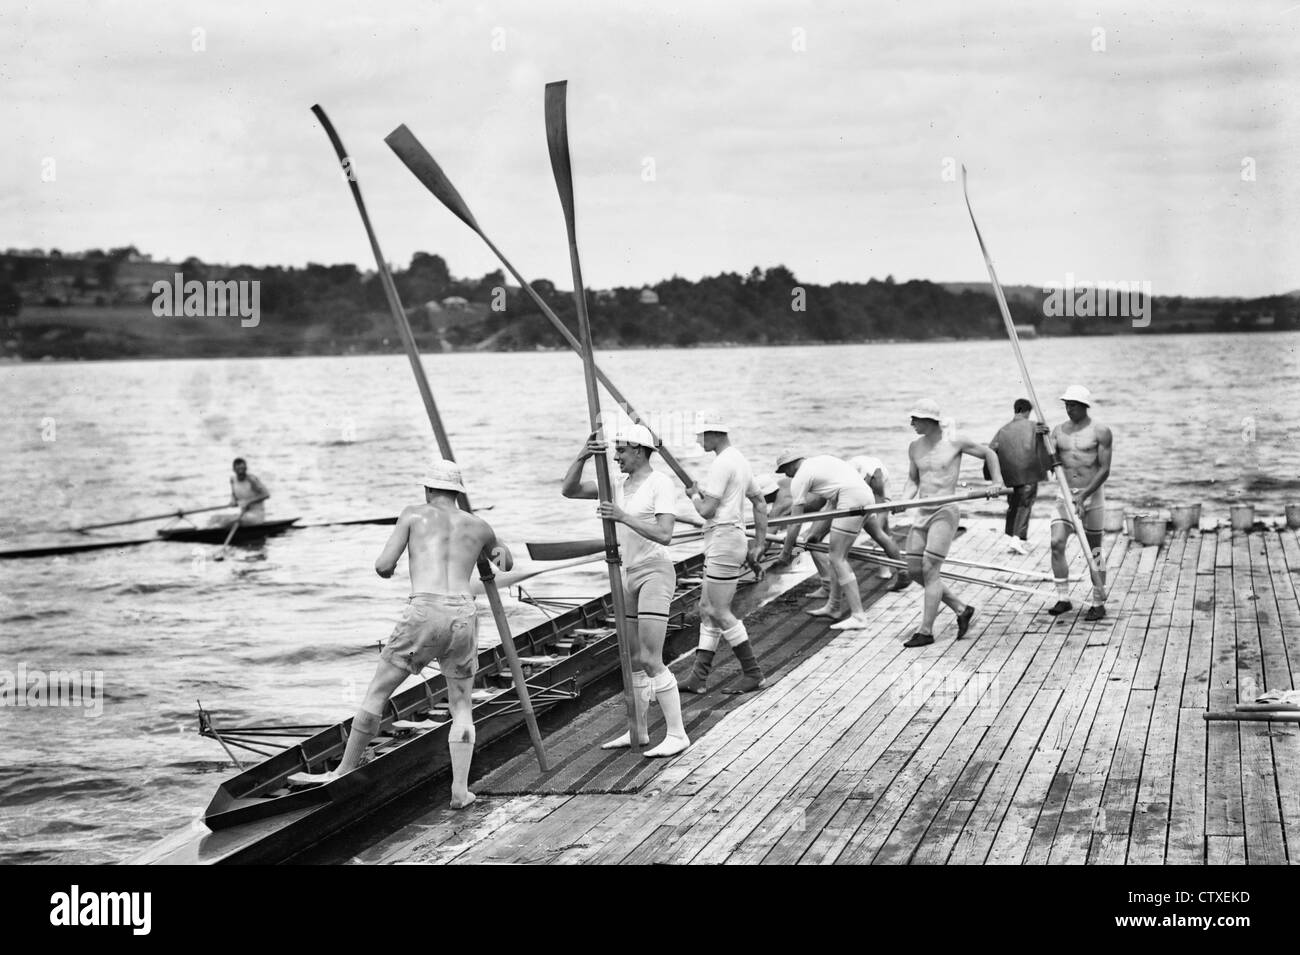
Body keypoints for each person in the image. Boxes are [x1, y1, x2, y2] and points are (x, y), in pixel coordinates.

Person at [287, 459, 511, 809]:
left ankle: (344, 771)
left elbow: (382, 565)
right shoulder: (480, 526)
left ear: (427, 489)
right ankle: (460, 791)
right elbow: (505, 561)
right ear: (458, 492)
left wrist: (390, 572)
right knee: (461, 705)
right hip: (463, 613)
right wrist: (490, 550)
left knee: (378, 692)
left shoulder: (413, 514)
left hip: (425, 609)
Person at [561, 425, 690, 757]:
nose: (615, 457)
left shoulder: (660, 482)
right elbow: (569, 491)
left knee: (650, 657)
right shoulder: (616, 484)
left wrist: (621, 516)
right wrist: (583, 454)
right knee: (632, 660)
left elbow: (665, 534)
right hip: (627, 574)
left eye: (620, 450)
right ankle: (639, 731)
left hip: (655, 572)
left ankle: (677, 734)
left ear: (639, 449)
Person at [896, 399, 1004, 647]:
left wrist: (995, 482)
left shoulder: (955, 441)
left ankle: (925, 631)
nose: (911, 423)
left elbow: (989, 453)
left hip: (945, 511)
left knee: (930, 570)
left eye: (916, 419)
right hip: (922, 511)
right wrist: (903, 500)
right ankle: (961, 608)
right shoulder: (914, 447)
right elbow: (913, 480)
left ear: (931, 421)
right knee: (914, 570)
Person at [679, 412, 770, 695]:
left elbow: (706, 511)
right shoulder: (739, 460)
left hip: (724, 539)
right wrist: (759, 543)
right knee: (707, 610)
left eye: (702, 436)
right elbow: (759, 501)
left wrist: (693, 494)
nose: (699, 442)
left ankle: (753, 673)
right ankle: (698, 677)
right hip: (730, 538)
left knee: (718, 610)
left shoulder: (722, 463)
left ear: (715, 434)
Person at [775, 451, 909, 630]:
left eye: (784, 470)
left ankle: (858, 616)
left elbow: (795, 522)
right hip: (864, 495)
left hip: (851, 500)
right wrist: (816, 534)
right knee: (870, 539)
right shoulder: (823, 460)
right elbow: (831, 504)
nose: (786, 475)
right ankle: (834, 606)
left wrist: (786, 553)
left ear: (791, 464)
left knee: (837, 557)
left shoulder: (800, 477)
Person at [1043, 385, 1112, 621]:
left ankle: (1098, 601)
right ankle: (1063, 599)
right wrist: (1039, 439)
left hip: (1091, 496)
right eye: (1066, 404)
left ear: (1084, 406)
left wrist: (1084, 496)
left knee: (1094, 550)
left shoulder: (1100, 431)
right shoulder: (1057, 431)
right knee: (1056, 542)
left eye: (1073, 404)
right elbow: (1045, 465)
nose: (1068, 408)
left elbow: (1104, 470)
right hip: (1065, 494)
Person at [988, 399, 1047, 555]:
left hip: (1010, 474)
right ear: (1027, 411)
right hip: (1029, 472)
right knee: (1025, 504)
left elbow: (990, 451)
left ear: (1015, 410)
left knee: (1014, 504)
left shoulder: (1003, 430)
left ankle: (1016, 538)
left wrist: (992, 476)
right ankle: (1016, 539)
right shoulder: (1035, 426)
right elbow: (1045, 445)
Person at [849, 453, 896, 578]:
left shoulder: (878, 475)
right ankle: (888, 570)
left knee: (882, 530)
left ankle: (888, 570)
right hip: (862, 474)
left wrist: (877, 532)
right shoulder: (854, 472)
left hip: (876, 475)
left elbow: (883, 506)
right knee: (881, 532)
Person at [212, 457, 269, 526]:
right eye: (238, 470)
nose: (241, 472)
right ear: (234, 470)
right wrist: (233, 501)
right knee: (214, 518)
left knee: (229, 520)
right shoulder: (233, 480)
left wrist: (248, 501)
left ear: (246, 468)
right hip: (244, 514)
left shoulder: (251, 479)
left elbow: (266, 494)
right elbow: (234, 495)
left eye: (243, 469)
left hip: (256, 515)